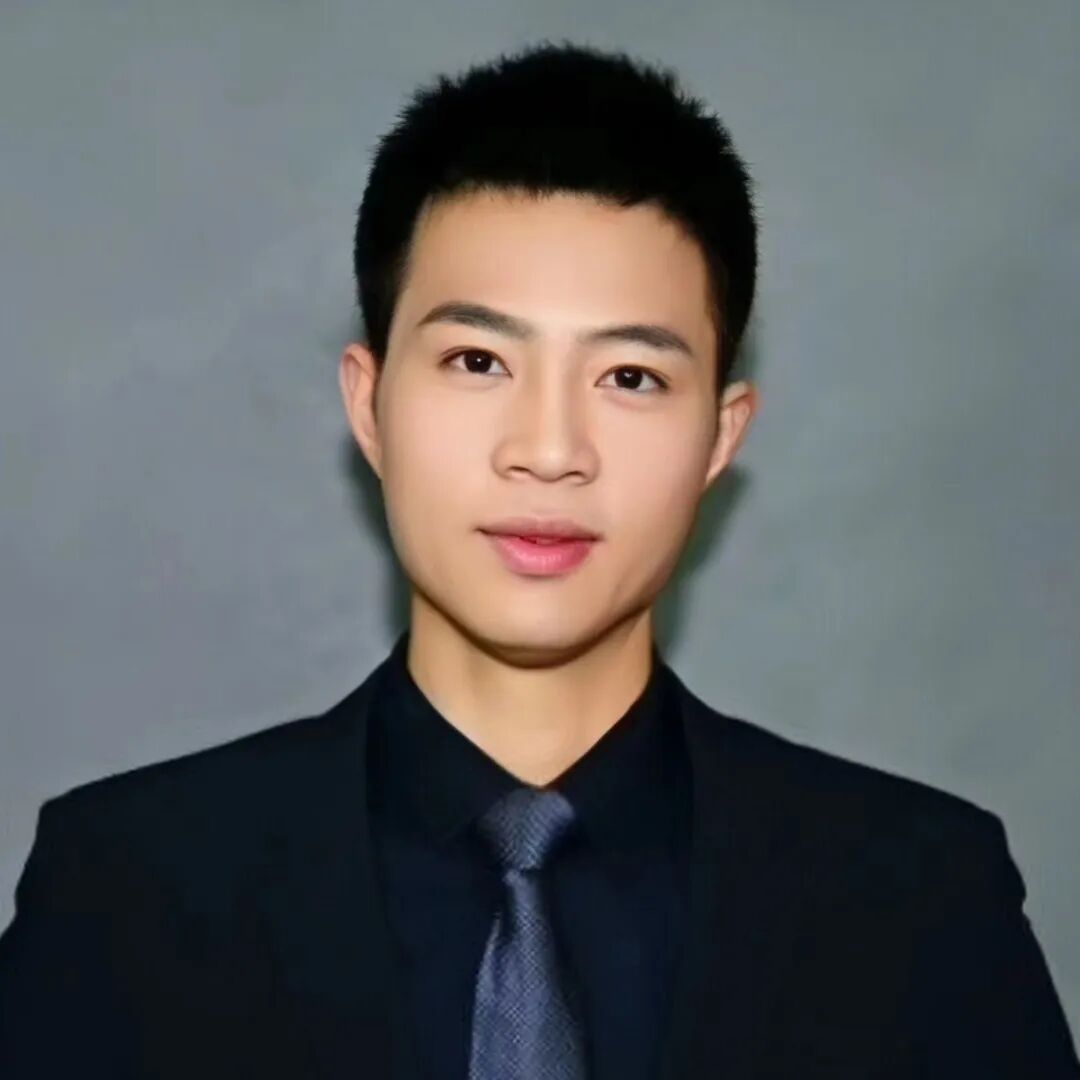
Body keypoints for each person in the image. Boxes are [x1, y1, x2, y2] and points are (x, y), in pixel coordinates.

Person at [1, 39, 1077, 1080]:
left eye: (631, 378)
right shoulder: (125, 892)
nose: (550, 450)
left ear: (720, 436)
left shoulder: (924, 901)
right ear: (369, 405)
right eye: (479, 360)